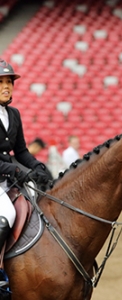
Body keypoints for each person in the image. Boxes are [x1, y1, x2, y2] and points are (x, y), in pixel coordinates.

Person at [0, 58, 52, 288]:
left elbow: (21, 151)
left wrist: (37, 167)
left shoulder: (14, 114)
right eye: (1, 82)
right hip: (3, 179)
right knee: (7, 215)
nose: (6, 86)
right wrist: (15, 170)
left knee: (35, 207)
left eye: (9, 81)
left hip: (9, 180)